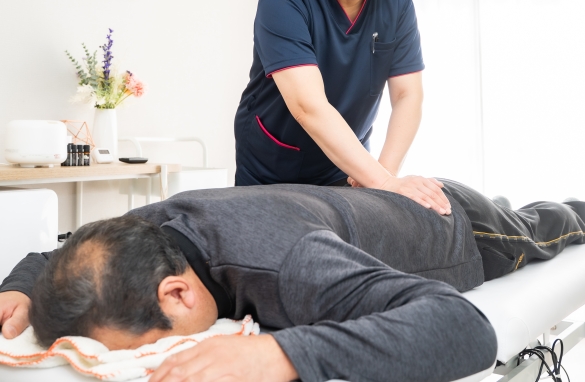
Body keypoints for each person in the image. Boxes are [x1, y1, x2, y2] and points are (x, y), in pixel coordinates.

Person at [2, 180, 585, 381]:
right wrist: (19, 288)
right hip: (347, 210)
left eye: (150, 349)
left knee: (545, 225)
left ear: (177, 293)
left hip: (459, 226)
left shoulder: (291, 264)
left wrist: (278, 354)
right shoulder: (137, 231)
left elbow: (466, 330)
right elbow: (52, 252)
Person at [234, 0, 451, 215]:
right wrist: (382, 182)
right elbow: (307, 106)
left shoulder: (396, 2)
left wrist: (382, 177)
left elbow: (408, 95)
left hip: (349, 168)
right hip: (272, 168)